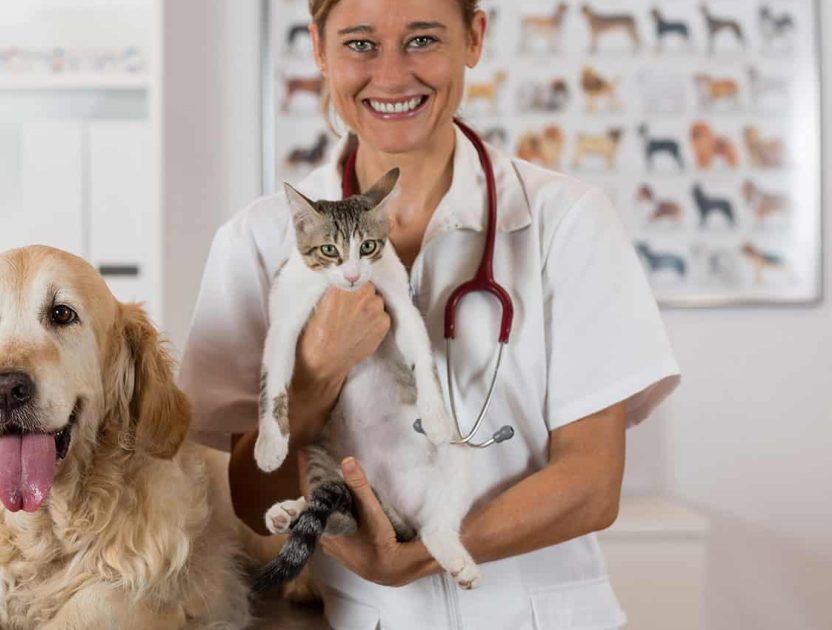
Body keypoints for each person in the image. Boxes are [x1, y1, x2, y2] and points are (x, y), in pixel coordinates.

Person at [178, 0, 681, 627]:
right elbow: (254, 500)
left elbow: (592, 483)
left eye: (422, 39)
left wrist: (418, 558)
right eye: (360, 43)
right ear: (318, 49)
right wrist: (315, 370)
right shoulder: (257, 242)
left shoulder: (567, 221)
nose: (391, 77)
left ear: (474, 38)